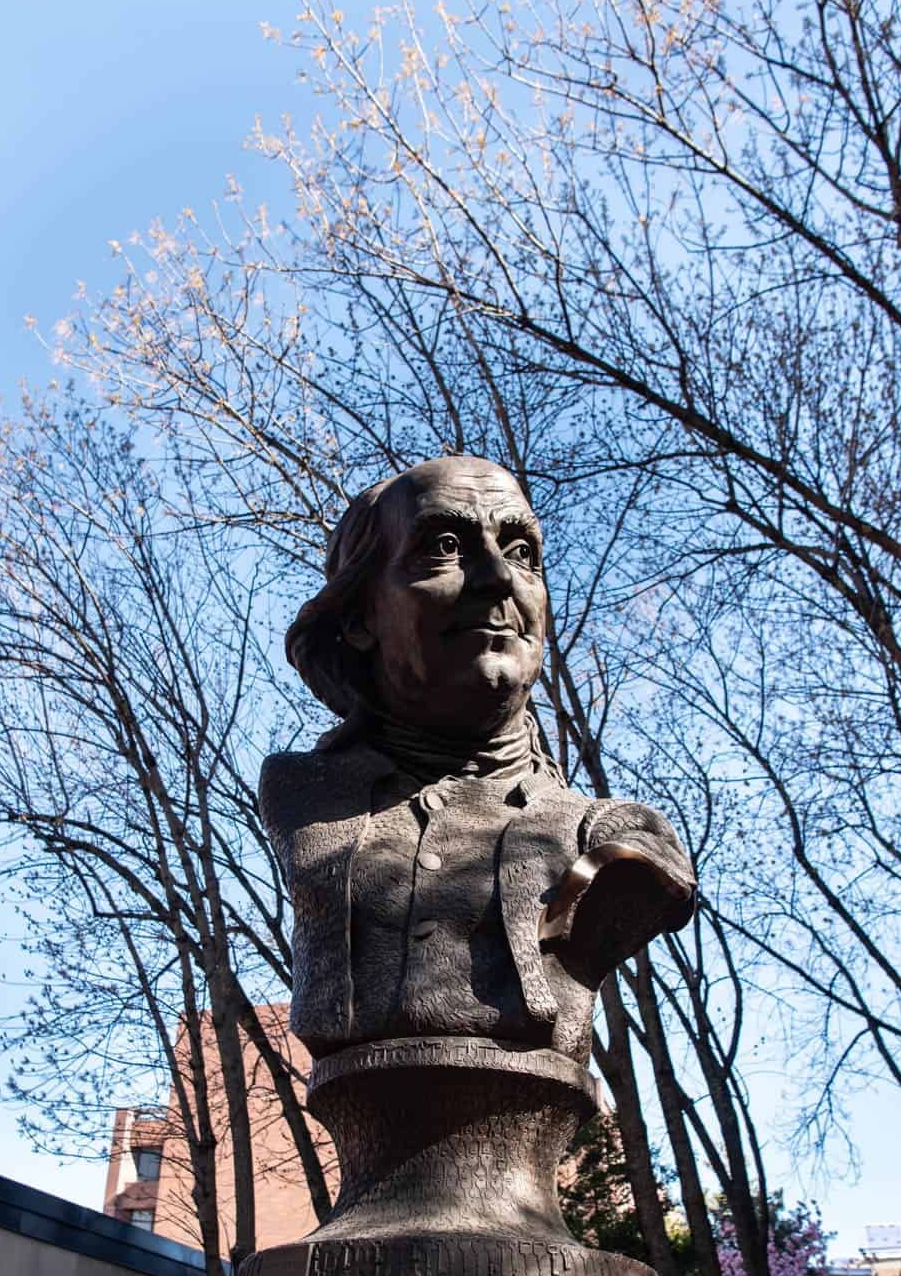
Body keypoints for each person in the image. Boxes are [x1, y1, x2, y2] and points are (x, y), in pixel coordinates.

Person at [262, 455, 696, 1078]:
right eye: (444, 546)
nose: (499, 579)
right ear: (358, 617)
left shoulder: (622, 844)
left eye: (521, 552)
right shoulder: (306, 796)